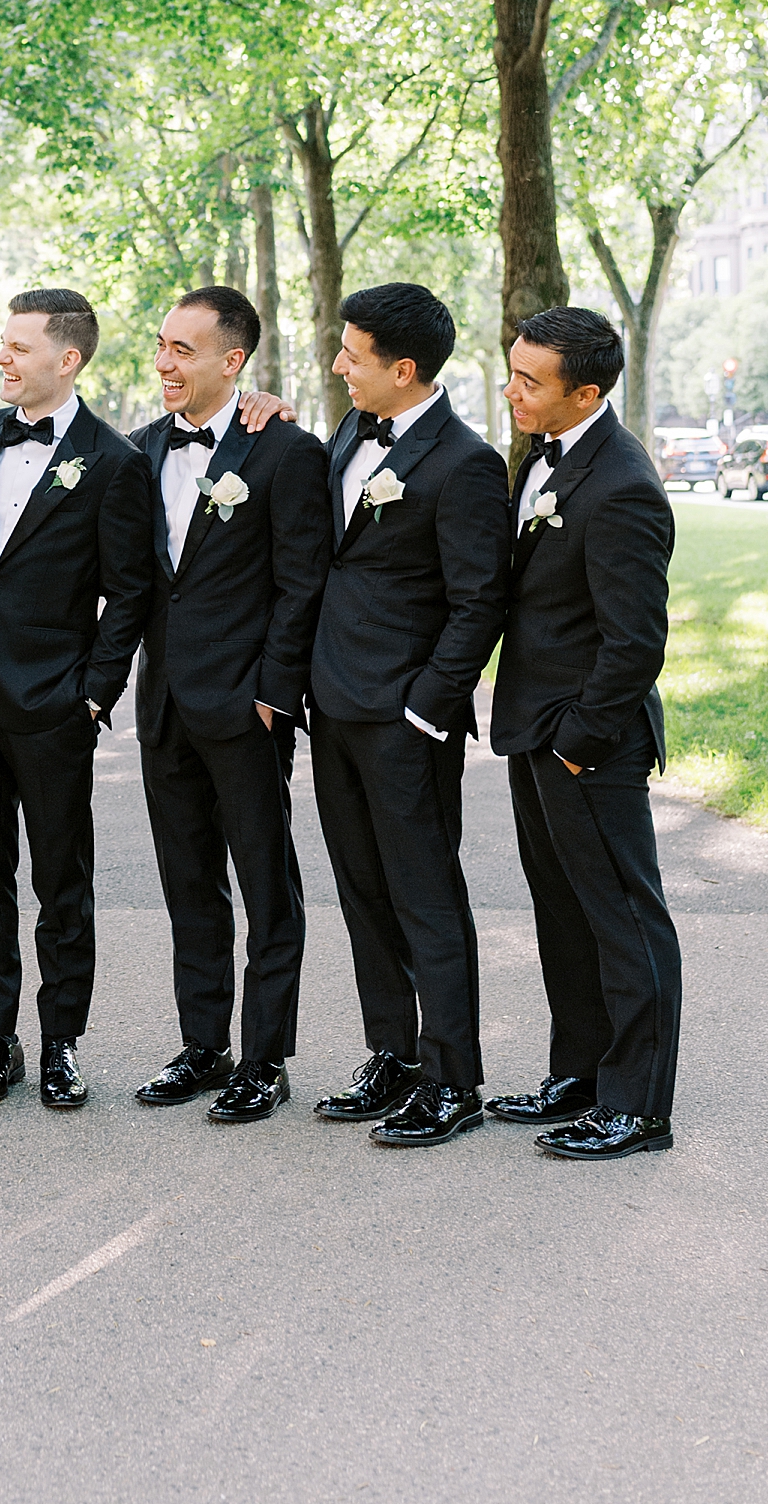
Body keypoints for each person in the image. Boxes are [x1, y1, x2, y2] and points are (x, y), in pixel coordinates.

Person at [0, 288, 153, 1110]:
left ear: (68, 358)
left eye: (18, 347)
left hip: (55, 704)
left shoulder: (116, 461)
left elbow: (130, 593)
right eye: (3, 344)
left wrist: (94, 694)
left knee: (63, 880)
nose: (2, 360)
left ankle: (61, 1043)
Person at [309, 282, 509, 1148]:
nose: (337, 365)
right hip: (332, 706)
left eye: (351, 354)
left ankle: (452, 1077)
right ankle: (390, 1053)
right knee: (361, 889)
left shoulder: (465, 463)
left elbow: (480, 602)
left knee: (427, 897)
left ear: (405, 368)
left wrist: (426, 709)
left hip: (403, 721)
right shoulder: (349, 430)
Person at [129, 287, 332, 1124]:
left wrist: (273, 695)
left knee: (265, 885)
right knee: (189, 883)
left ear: (232, 361)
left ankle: (264, 1056)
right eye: (163, 346)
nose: (165, 363)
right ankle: (203, 1044)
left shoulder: (285, 452)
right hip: (164, 705)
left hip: (245, 708)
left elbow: (301, 583)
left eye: (183, 349)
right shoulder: (137, 452)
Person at [485, 306, 680, 1160]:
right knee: (561, 909)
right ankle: (583, 1074)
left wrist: (577, 740)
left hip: (587, 741)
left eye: (531, 381)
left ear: (587, 392)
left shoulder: (625, 484)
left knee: (624, 917)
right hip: (536, 727)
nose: (513, 389)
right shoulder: (543, 452)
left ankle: (637, 1106)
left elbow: (636, 641)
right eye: (514, 370)